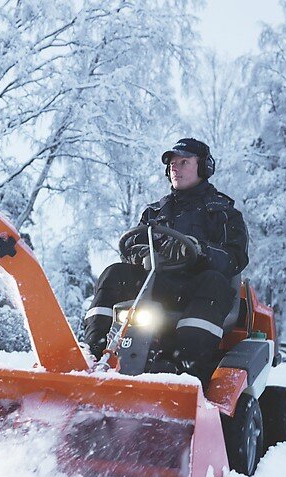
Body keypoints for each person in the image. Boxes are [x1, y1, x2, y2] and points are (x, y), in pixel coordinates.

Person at [82, 137, 249, 374]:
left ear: (204, 167)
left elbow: (234, 258)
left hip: (196, 292)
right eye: (172, 163)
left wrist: (200, 250)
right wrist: (140, 253)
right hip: (155, 287)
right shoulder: (154, 212)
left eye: (184, 162)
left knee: (214, 282)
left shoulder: (224, 214)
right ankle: (93, 350)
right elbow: (132, 245)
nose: (175, 168)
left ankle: (186, 365)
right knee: (114, 273)